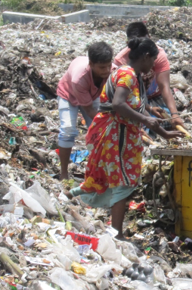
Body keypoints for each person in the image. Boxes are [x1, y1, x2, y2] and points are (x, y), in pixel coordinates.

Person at [72, 38, 180, 238]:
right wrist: (146, 120)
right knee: (122, 182)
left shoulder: (129, 74)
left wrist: (165, 134)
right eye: (153, 60)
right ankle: (117, 233)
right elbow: (118, 104)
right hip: (116, 135)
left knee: (117, 180)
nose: (153, 66)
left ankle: (69, 196)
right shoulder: (127, 75)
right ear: (146, 57)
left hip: (122, 134)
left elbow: (132, 107)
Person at [56, 41, 113, 180]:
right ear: (91, 64)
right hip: (68, 94)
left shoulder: (113, 72)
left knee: (101, 132)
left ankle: (98, 172)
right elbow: (89, 110)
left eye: (108, 66)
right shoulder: (79, 79)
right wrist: (110, 123)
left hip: (92, 95)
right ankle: (64, 173)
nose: (106, 70)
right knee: (68, 130)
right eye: (102, 67)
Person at [112, 22, 183, 127]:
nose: (153, 63)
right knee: (144, 125)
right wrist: (146, 117)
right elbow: (120, 102)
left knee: (164, 121)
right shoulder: (123, 66)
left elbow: (164, 86)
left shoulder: (157, 54)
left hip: (151, 97)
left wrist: (174, 114)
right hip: (131, 99)